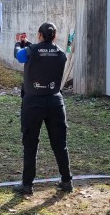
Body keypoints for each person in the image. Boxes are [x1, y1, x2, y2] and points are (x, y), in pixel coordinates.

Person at [12, 22, 72, 195]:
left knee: (30, 144)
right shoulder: (61, 53)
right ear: (55, 36)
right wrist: (34, 45)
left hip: (33, 103)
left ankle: (27, 185)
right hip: (55, 102)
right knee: (60, 144)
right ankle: (67, 180)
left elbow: (20, 56)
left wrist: (19, 44)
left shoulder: (31, 51)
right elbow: (46, 52)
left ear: (39, 34)